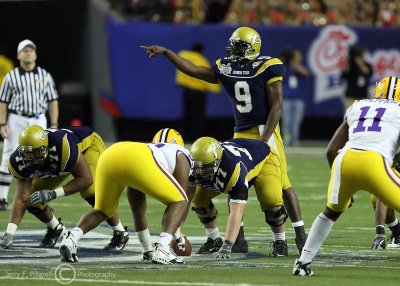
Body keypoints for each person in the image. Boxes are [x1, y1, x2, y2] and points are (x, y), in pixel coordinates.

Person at [141, 26, 307, 256]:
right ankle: (237, 239)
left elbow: (277, 105)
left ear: (252, 47)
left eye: (239, 46)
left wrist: (265, 139)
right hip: (240, 131)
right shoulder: (226, 67)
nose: (233, 50)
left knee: (281, 186)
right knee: (234, 180)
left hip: (265, 130)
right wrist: (168, 53)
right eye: (233, 45)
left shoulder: (269, 66)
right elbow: (195, 71)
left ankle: (299, 233)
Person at [293, 76, 400, 276]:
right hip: (374, 162)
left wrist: (343, 188)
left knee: (330, 213)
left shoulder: (357, 105)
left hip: (345, 160)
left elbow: (331, 150)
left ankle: (303, 263)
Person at [59, 129, 193, 264]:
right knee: (180, 200)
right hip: (138, 160)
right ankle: (163, 248)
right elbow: (179, 198)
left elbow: (138, 210)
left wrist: (148, 250)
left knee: (103, 210)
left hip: (111, 153)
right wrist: (176, 236)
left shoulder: (152, 150)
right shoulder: (182, 153)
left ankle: (71, 239)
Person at [0, 125, 129, 251]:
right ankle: (55, 228)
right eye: (27, 153)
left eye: (35, 153)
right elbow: (22, 197)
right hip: (58, 162)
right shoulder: (17, 162)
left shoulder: (62, 146)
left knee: (91, 192)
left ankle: (120, 232)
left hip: (88, 148)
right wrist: (10, 233)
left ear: (45, 148)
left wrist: (53, 193)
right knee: (31, 197)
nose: (30, 158)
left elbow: (85, 179)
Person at [189, 136, 288, 259]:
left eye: (205, 167)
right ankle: (213, 239)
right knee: (197, 198)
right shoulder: (192, 166)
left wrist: (227, 246)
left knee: (271, 199)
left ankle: (280, 242)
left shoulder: (233, 170)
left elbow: (237, 211)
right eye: (197, 166)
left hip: (264, 158)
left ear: (217, 162)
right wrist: (175, 235)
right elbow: (183, 201)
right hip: (238, 152)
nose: (200, 172)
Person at [0, 39, 59, 211]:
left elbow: (53, 101)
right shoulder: (11, 76)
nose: (28, 52)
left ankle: (40, 198)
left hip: (38, 118)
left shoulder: (44, 75)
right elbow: (3, 102)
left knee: (43, 157)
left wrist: (54, 123)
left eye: (31, 50)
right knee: (8, 155)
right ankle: (2, 198)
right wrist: (2, 123)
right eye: (24, 50)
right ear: (18, 55)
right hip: (17, 117)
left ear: (36, 54)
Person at [176, 43, 221, 142]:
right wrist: (217, 89)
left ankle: (183, 138)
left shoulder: (183, 54)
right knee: (197, 117)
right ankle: (195, 139)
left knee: (187, 115)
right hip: (198, 93)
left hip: (187, 91)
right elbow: (206, 75)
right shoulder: (201, 59)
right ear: (201, 51)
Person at [280, 48, 309, 146]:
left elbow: (306, 73)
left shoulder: (300, 67)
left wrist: (295, 65)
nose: (297, 58)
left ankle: (295, 140)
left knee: (296, 121)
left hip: (298, 99)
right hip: (287, 98)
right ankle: (287, 140)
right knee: (286, 121)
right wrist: (287, 63)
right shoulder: (286, 67)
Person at [341, 45, 373, 110]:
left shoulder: (367, 65)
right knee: (349, 116)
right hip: (350, 96)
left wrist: (360, 63)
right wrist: (350, 59)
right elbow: (344, 73)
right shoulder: (350, 65)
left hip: (363, 95)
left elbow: (368, 72)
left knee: (363, 116)